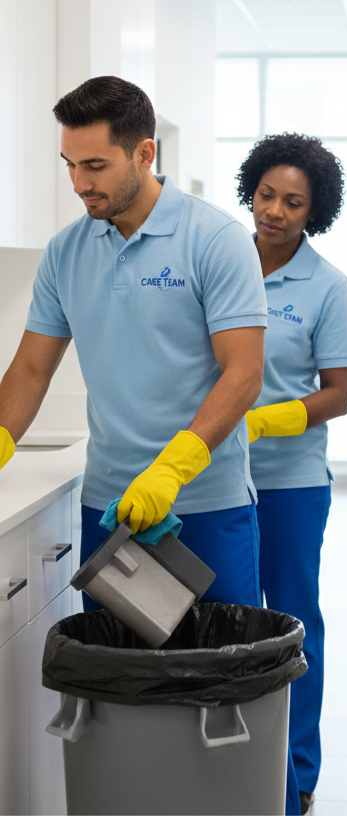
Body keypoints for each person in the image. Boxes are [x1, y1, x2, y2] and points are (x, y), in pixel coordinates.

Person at [0, 76, 268, 606]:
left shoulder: (216, 239)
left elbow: (244, 374)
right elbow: (31, 371)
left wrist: (172, 469)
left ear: (144, 153)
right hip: (109, 511)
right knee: (114, 680)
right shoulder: (65, 252)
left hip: (205, 506)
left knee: (217, 679)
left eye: (95, 165)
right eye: (70, 164)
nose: (79, 183)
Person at [236, 133, 347, 816]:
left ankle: (297, 770)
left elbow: (339, 392)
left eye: (292, 202)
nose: (274, 212)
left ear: (314, 212)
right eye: (265, 196)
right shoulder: (219, 263)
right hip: (213, 478)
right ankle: (231, 759)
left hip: (290, 483)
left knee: (289, 622)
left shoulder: (328, 287)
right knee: (225, 619)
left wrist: (269, 420)